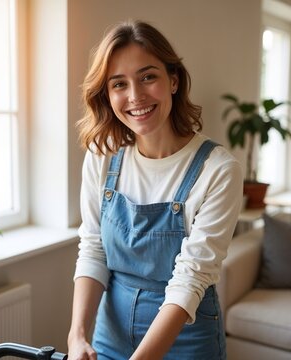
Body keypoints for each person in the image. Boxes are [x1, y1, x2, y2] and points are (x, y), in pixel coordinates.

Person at [67, 20, 243, 360]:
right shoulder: (102, 156)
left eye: (148, 77)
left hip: (186, 334)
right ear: (107, 93)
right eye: (119, 84)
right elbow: (93, 248)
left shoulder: (218, 170)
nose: (135, 96)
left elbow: (191, 279)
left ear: (173, 80)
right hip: (111, 329)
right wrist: (76, 336)